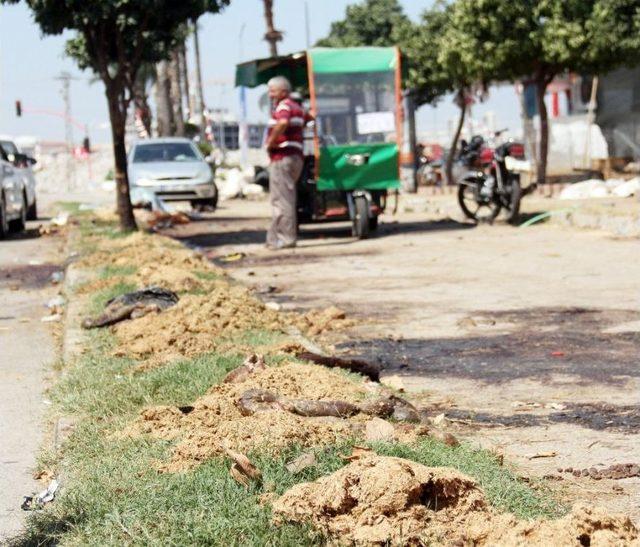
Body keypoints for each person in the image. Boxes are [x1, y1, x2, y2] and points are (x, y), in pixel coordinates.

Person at [264, 76, 305, 250]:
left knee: (281, 200)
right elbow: (310, 120)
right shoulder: (298, 108)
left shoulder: (284, 106)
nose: (270, 94)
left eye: (273, 90)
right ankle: (275, 239)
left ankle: (285, 239)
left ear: (283, 91)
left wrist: (271, 142)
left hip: (282, 157)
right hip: (296, 157)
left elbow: (282, 122)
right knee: (284, 197)